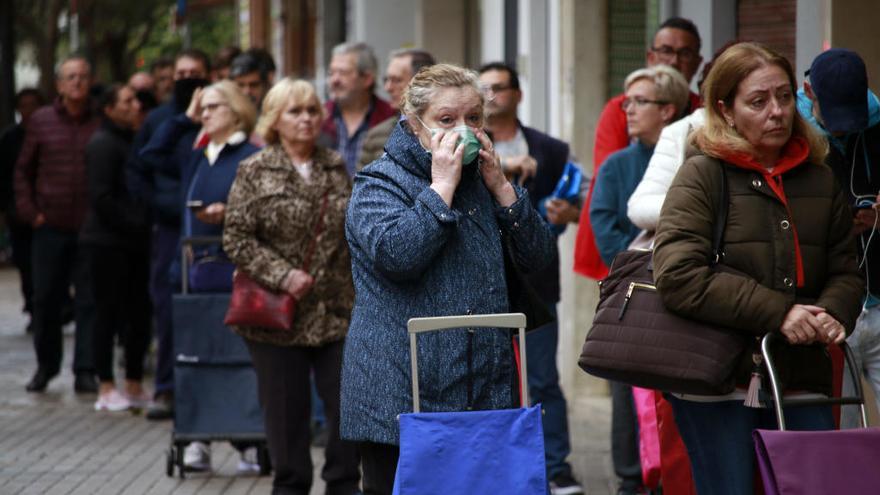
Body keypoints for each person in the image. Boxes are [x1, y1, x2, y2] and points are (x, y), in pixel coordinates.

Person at [652, 42, 863, 494]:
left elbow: (848, 269)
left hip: (802, 371)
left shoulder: (820, 178)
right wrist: (781, 313)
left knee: (814, 486)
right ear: (726, 110)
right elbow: (678, 276)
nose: (777, 112)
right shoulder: (702, 174)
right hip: (719, 377)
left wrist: (831, 313)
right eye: (758, 101)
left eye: (785, 97)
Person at [340, 63, 557, 494]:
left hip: (483, 388)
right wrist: (440, 189)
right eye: (446, 120)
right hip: (402, 393)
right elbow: (398, 257)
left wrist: (504, 192)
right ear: (413, 122)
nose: (464, 130)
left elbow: (540, 259)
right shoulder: (377, 183)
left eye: (473, 118)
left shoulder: (483, 181)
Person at [224, 77, 360, 495]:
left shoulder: (334, 164)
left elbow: (354, 230)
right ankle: (291, 486)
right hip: (276, 315)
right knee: (286, 416)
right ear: (274, 120)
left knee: (347, 409)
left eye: (312, 110)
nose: (306, 119)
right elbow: (236, 237)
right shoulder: (254, 169)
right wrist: (284, 274)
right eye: (295, 111)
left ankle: (342, 485)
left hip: (335, 310)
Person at [143, 79, 260, 472]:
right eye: (202, 108)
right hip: (191, 273)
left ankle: (246, 440)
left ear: (235, 109)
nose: (205, 113)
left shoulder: (250, 154)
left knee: (236, 357)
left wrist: (229, 213)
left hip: (233, 273)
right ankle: (196, 439)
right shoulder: (197, 153)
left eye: (212, 107)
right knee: (192, 356)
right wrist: (184, 118)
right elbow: (152, 155)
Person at [477, 61, 582, 495]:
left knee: (542, 379)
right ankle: (495, 468)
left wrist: (568, 214)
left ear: (518, 94)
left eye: (499, 88)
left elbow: (572, 203)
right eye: (484, 89)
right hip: (482, 283)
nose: (491, 97)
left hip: (536, 281)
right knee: (485, 380)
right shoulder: (466, 144)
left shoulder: (551, 149)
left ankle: (556, 467)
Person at [588, 64, 690, 495]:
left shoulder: (692, 158)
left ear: (668, 110)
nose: (627, 109)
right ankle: (630, 480)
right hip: (632, 295)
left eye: (639, 102)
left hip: (682, 293)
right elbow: (604, 226)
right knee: (626, 396)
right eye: (626, 101)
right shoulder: (616, 165)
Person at [574, 16, 704, 280]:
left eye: (684, 53)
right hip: (627, 270)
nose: (629, 110)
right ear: (650, 55)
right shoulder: (618, 144)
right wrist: (634, 264)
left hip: (685, 271)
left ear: (668, 110)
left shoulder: (700, 124)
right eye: (666, 50)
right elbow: (606, 209)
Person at [797, 48, 880, 428]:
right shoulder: (793, 136)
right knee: (842, 432)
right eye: (835, 120)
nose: (845, 129)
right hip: (828, 309)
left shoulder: (877, 124)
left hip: (876, 300)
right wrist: (838, 224)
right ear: (808, 92)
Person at [130, 49, 212, 421]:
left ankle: (209, 390)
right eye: (182, 73)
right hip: (169, 230)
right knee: (167, 309)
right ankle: (166, 388)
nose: (188, 78)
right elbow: (143, 163)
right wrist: (164, 206)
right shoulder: (163, 121)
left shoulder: (219, 115)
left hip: (212, 233)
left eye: (196, 72)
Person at [14, 56, 101, 394]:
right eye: (70, 77)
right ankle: (46, 366)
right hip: (49, 225)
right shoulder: (41, 121)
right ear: (60, 85)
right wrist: (30, 212)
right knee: (46, 299)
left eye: (82, 76)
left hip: (91, 228)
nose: (77, 82)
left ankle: (86, 369)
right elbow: (23, 171)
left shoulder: (100, 119)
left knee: (90, 299)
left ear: (90, 81)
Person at [80, 84, 152, 412]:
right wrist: (137, 222)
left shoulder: (131, 140)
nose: (134, 105)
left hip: (133, 244)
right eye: (126, 101)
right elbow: (102, 197)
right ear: (108, 109)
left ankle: (134, 382)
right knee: (106, 313)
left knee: (138, 314)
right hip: (106, 244)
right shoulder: (102, 145)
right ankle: (106, 385)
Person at [0, 88, 45, 333]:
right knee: (26, 263)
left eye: (34, 104)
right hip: (19, 213)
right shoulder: (10, 139)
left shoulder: (48, 132)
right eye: (24, 105)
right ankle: (34, 307)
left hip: (49, 212)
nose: (29, 110)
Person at [320, 42, 396, 176]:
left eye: (343, 73)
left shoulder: (390, 117)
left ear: (367, 79)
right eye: (331, 73)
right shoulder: (319, 117)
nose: (334, 80)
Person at [358, 48, 436, 170]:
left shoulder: (445, 128)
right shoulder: (375, 136)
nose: (388, 87)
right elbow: (360, 186)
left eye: (397, 80)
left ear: (423, 82)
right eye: (386, 80)